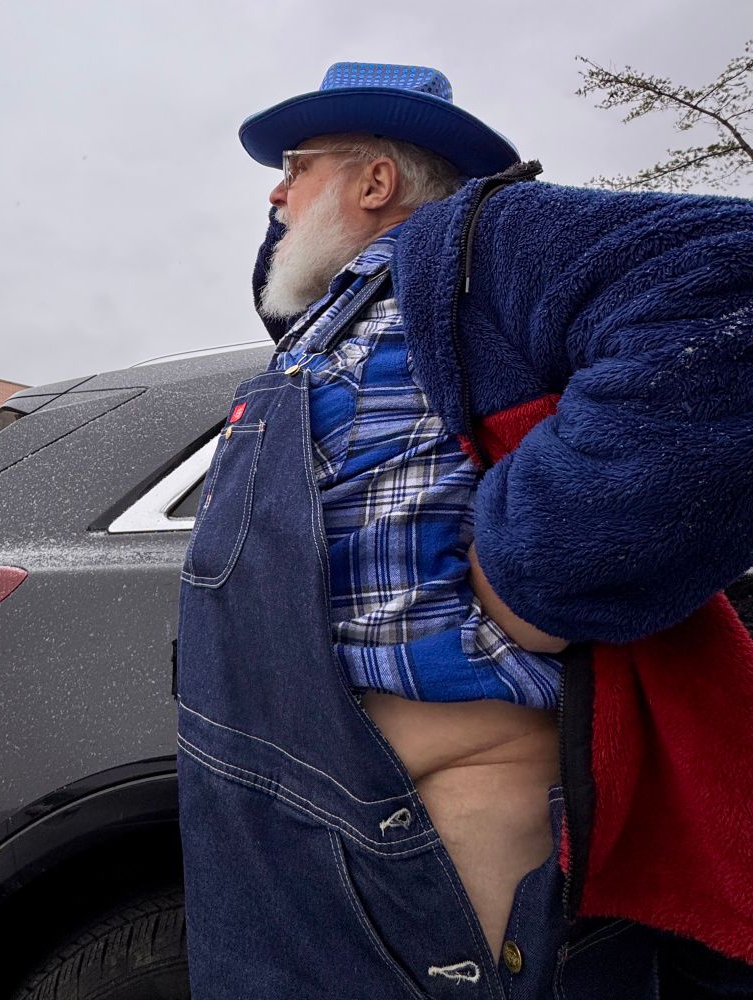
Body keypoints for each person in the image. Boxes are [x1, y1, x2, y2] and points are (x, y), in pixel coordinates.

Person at [176, 62, 753, 999]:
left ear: (375, 183)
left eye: (295, 165)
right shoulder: (327, 323)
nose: (276, 194)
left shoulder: (483, 244)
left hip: (445, 817)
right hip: (284, 817)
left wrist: (536, 572)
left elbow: (731, 292)